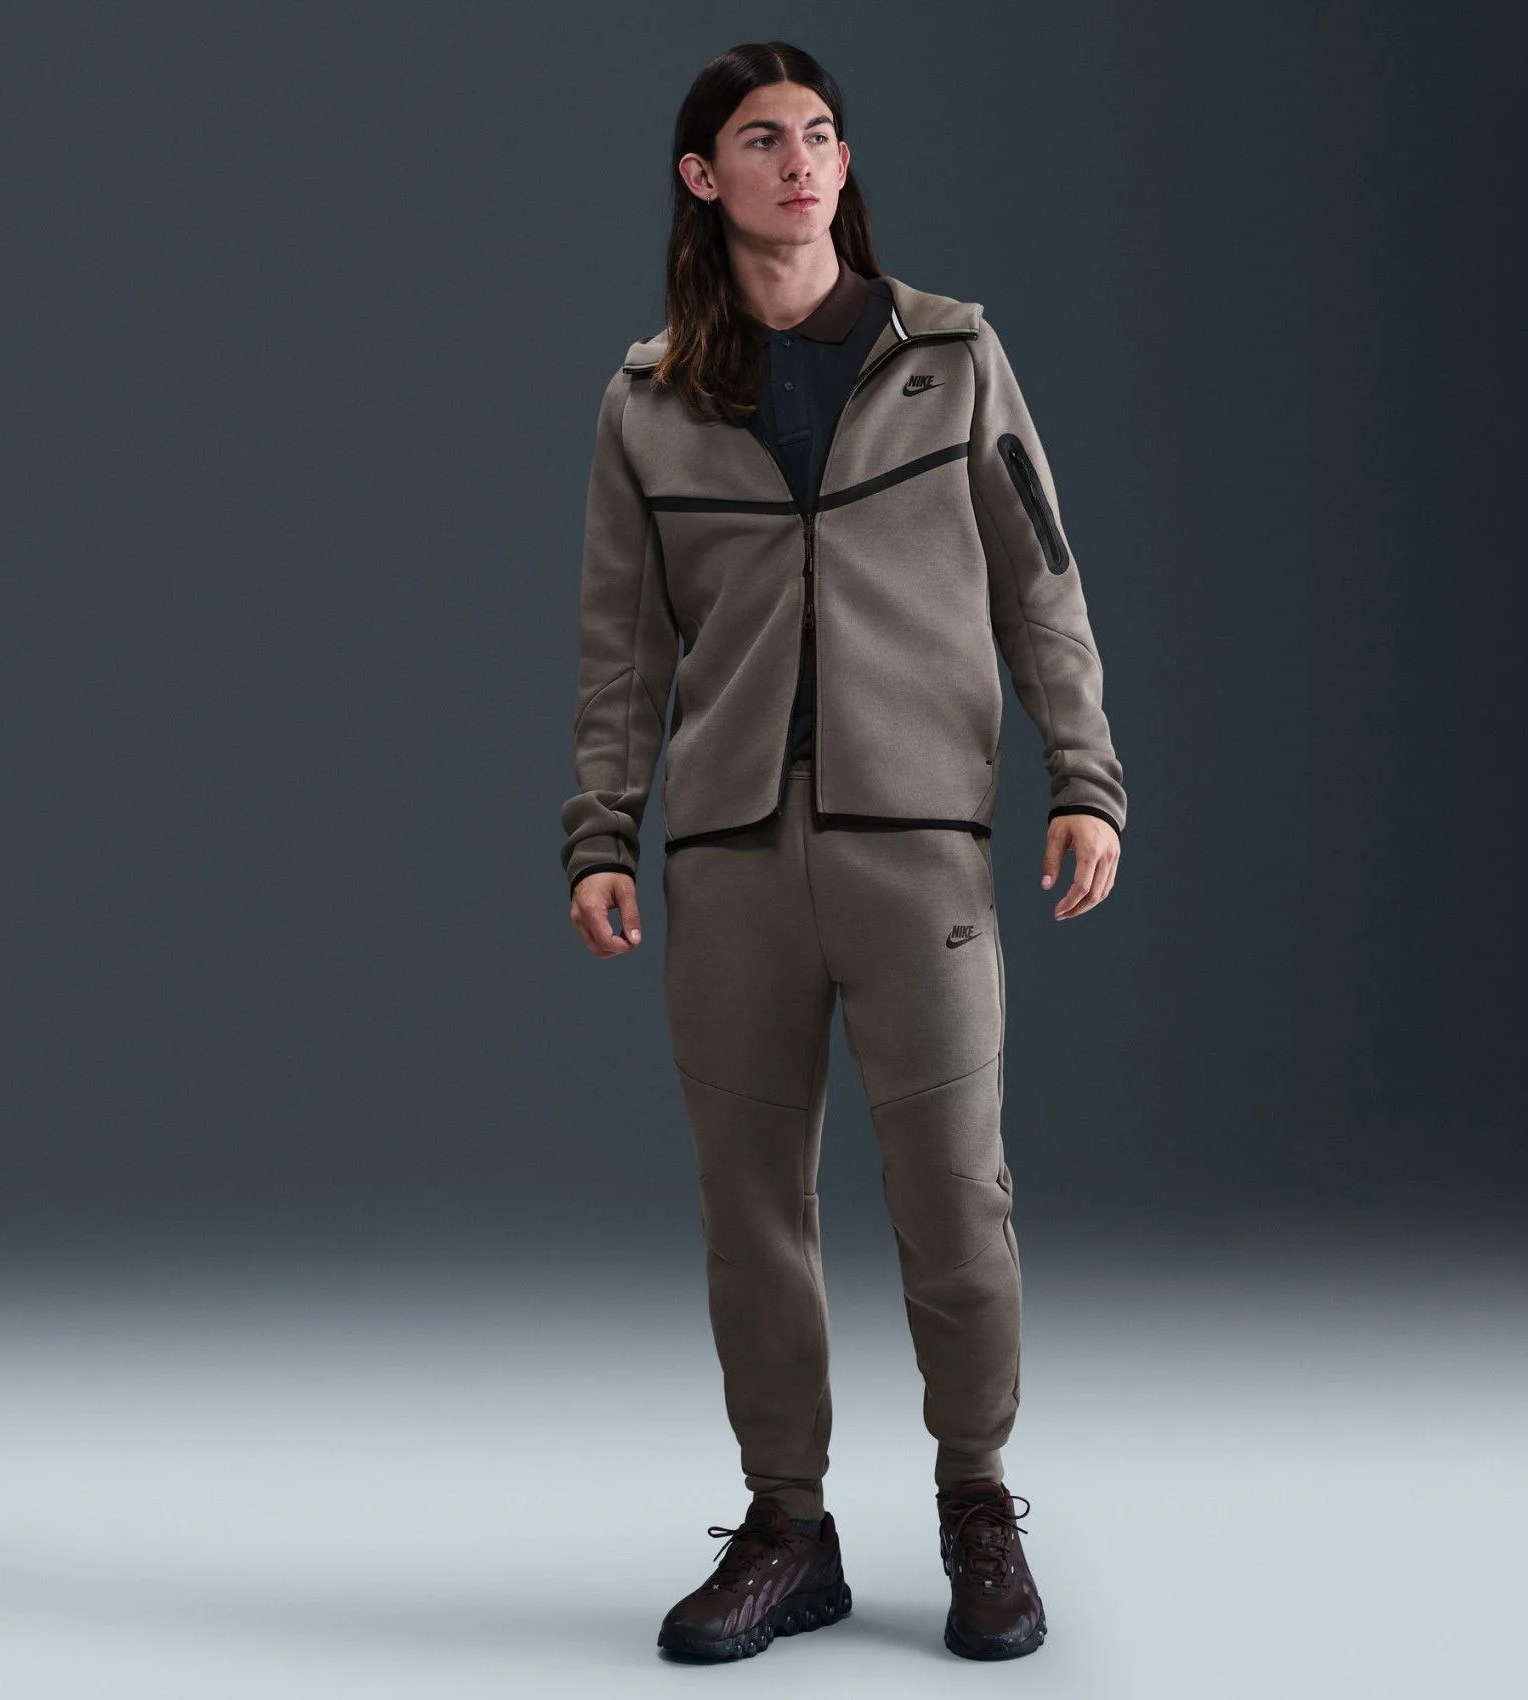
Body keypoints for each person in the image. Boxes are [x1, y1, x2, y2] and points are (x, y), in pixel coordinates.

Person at [561, 41, 1125, 1665]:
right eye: (763, 139)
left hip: (918, 847)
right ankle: (787, 1529)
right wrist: (601, 831)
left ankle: (977, 1507)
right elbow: (620, 647)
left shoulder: (949, 355)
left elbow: (1039, 583)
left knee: (956, 1196)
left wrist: (1085, 777)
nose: (803, 161)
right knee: (752, 1213)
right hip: (732, 856)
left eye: (820, 134)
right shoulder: (651, 397)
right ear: (703, 178)